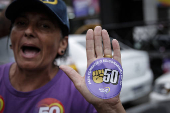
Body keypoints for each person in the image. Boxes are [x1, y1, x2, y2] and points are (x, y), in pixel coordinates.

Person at [0, 0, 126, 113]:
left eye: (44, 25)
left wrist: (110, 108)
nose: (28, 31)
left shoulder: (79, 93)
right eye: (21, 23)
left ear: (63, 44)